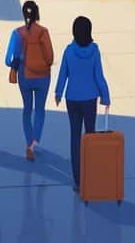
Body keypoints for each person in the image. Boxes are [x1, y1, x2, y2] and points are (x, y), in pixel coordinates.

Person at [54, 15, 110, 191]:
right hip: (89, 99)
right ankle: (90, 175)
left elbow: (63, 73)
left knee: (75, 137)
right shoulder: (95, 51)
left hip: (72, 99)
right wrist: (105, 96)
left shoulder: (69, 51)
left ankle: (78, 180)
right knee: (90, 137)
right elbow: (99, 76)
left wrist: (58, 92)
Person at [7, 0, 54, 161]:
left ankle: (28, 143)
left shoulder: (17, 33)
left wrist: (20, 60)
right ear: (37, 13)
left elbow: (8, 60)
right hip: (43, 77)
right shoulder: (44, 32)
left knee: (27, 109)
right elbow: (50, 57)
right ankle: (35, 142)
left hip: (25, 76)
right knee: (40, 109)